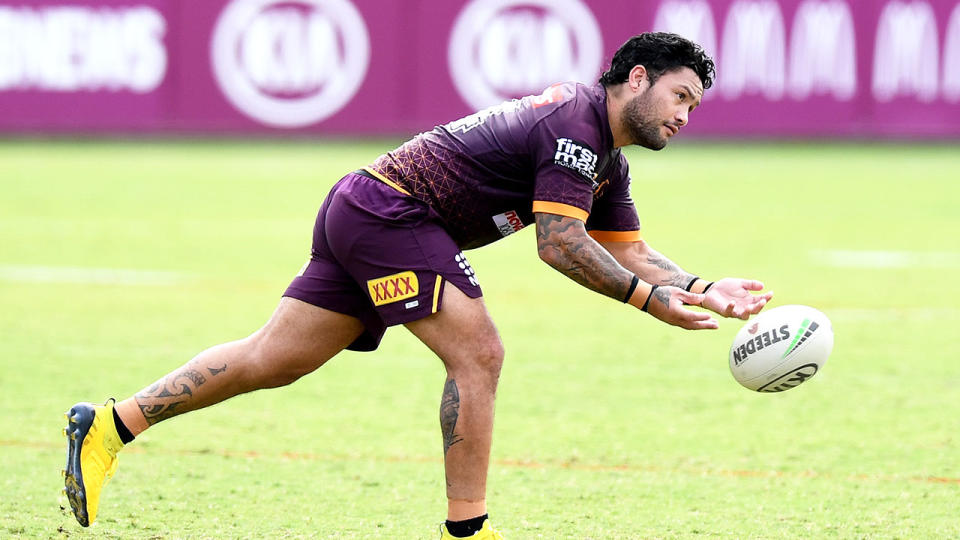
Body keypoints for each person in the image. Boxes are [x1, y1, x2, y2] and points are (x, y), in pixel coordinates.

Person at [62, 32, 771, 539]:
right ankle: (468, 533)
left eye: (695, 107)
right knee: (479, 353)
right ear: (638, 77)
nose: (683, 116)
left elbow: (630, 249)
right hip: (392, 213)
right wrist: (650, 303)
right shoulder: (576, 129)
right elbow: (559, 245)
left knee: (272, 359)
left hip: (365, 203)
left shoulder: (603, 158)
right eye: (679, 95)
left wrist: (702, 286)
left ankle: (111, 425)